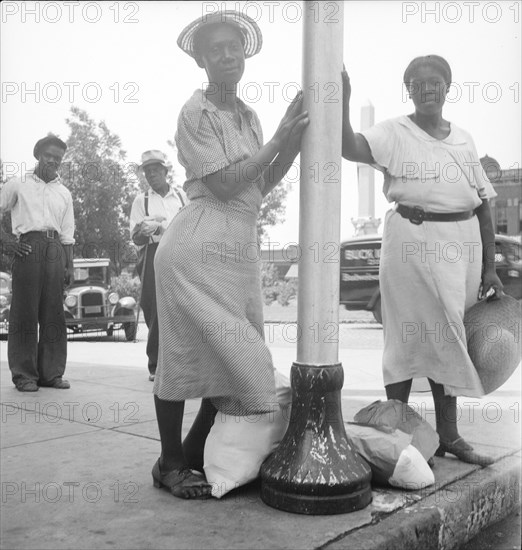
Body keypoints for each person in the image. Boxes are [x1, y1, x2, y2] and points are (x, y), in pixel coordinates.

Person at [151, 10, 308, 499]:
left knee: (232, 364)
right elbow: (221, 184)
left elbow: (259, 183)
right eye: (214, 48)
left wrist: (293, 137)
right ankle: (170, 463)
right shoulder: (195, 112)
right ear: (200, 58)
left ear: (245, 52)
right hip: (194, 249)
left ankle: (192, 451)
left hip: (237, 253)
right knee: (182, 360)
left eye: (233, 46)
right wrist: (280, 139)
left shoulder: (249, 115)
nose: (226, 55)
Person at [341, 55, 503, 465]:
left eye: (436, 82)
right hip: (409, 242)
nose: (428, 89)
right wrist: (342, 100)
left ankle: (448, 434)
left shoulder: (464, 138)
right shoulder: (394, 131)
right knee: (405, 337)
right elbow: (350, 147)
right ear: (408, 89)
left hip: (460, 245)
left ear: (448, 88)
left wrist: (489, 268)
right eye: (418, 83)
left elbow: (485, 206)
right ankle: (397, 434)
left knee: (451, 336)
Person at [0, 134, 75, 392]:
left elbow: (67, 234)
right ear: (38, 155)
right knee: (24, 313)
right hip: (27, 248)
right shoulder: (18, 183)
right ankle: (24, 374)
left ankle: (51, 374)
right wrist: (7, 243)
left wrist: (69, 266)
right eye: (49, 155)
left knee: (54, 313)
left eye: (58, 158)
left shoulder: (64, 192)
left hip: (56, 250)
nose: (53, 160)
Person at [130, 150, 186, 381]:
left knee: (182, 308)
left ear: (165, 171)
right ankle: (156, 364)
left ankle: (182, 363)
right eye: (147, 171)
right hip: (154, 253)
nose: (152, 175)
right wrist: (143, 231)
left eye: (156, 170)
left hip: (182, 253)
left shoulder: (183, 196)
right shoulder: (141, 200)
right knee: (153, 308)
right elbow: (134, 236)